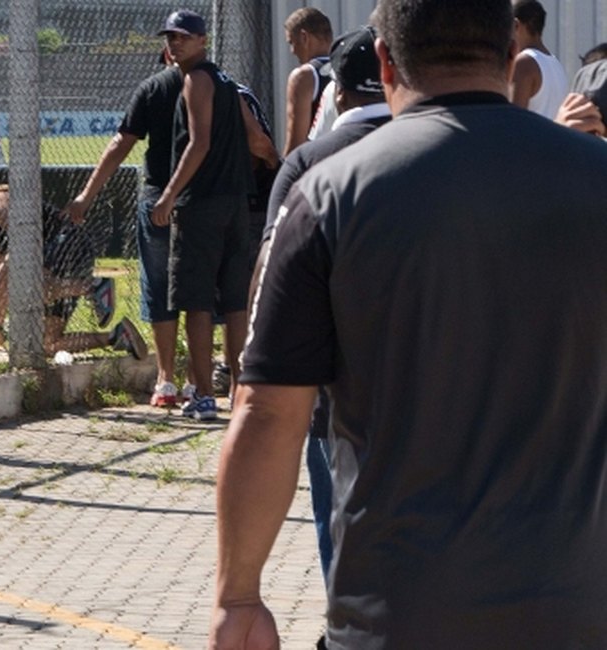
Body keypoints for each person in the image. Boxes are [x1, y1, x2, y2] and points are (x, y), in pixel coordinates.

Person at [212, 0, 607, 647]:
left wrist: (239, 596)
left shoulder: (327, 197)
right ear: (513, 56)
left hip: (397, 616)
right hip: (579, 613)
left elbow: (267, 415)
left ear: (386, 64)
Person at [64, 48, 277, 408]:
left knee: (165, 288)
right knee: (213, 294)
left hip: (163, 197)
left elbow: (121, 143)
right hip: (215, 200)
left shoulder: (153, 88)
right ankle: (201, 382)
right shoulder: (226, 87)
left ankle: (166, 379)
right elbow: (256, 139)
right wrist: (278, 164)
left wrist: (86, 196)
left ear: (166, 54)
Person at [260, 24, 392, 587]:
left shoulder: (310, 164)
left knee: (337, 527)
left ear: (337, 91)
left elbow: (270, 287)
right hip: (427, 390)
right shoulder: (447, 152)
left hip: (330, 394)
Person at [152, 9, 250, 421]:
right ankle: (242, 392)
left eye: (183, 37)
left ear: (202, 40)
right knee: (235, 302)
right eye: (171, 37)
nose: (175, 44)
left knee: (195, 300)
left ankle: (205, 395)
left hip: (202, 203)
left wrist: (169, 195)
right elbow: (256, 136)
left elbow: (199, 142)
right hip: (236, 203)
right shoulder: (228, 81)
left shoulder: (195, 80)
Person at [0, 171, 147, 360]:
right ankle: (116, 336)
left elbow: (26, 241)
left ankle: (92, 287)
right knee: (47, 344)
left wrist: (0, 282)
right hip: (49, 259)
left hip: (66, 242)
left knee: (31, 290)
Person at [281, 7, 334, 155]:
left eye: (292, 42)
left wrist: (284, 174)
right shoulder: (348, 69)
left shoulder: (305, 76)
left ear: (304, 37)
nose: (292, 51)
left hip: (318, 168)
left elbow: (296, 145)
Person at [510, 0, 568, 118]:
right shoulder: (556, 64)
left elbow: (513, 119)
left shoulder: (524, 62)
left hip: (529, 137)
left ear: (516, 25)